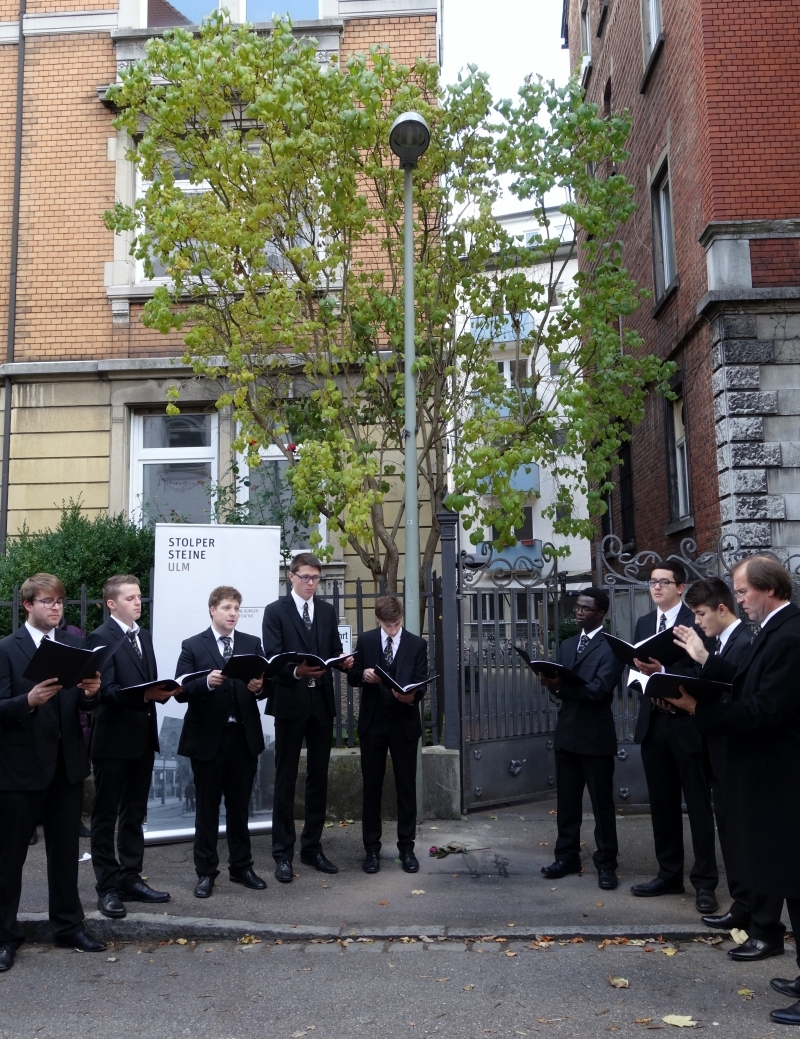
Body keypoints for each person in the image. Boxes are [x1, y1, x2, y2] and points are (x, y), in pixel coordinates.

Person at [665, 555, 800, 1026]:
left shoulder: (789, 635)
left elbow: (763, 710)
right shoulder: (774, 632)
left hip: (783, 778)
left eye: (743, 592)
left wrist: (697, 711)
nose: (737, 601)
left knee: (797, 885)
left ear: (769, 589)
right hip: (771, 776)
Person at [0, 573, 106, 972]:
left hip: (67, 766)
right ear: (28, 605)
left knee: (65, 854)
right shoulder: (6, 650)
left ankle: (68, 926)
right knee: (9, 858)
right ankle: (4, 936)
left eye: (60, 602)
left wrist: (91, 693)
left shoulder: (75, 645)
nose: (56, 608)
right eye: (48, 601)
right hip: (20, 768)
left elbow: (86, 706)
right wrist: (26, 701)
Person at [673, 577, 778, 945]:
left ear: (721, 610)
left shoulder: (746, 642)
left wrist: (703, 663)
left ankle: (761, 918)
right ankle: (742, 905)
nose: (698, 622)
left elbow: (739, 694)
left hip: (741, 753)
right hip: (719, 751)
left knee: (750, 839)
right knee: (731, 836)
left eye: (701, 614)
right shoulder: (723, 642)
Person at [629, 562, 718, 912]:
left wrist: (664, 673)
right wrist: (640, 680)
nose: (656, 588)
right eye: (652, 582)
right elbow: (636, 667)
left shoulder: (696, 621)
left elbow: (702, 670)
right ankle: (669, 874)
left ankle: (705, 882)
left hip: (686, 723)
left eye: (663, 582)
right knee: (662, 804)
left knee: (697, 805)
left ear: (680, 587)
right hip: (654, 722)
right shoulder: (643, 624)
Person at [262, 553, 353, 883]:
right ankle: (282, 853)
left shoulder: (327, 611)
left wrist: (342, 662)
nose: (311, 583)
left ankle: (312, 847)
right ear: (291, 576)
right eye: (305, 577)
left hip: (321, 703)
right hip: (289, 701)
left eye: (315, 578)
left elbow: (332, 649)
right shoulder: (275, 611)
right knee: (285, 778)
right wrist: (295, 671)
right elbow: (271, 657)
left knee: (319, 777)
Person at [175, 586, 267, 899]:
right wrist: (206, 682)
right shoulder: (193, 645)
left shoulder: (251, 644)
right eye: (227, 608)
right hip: (207, 740)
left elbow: (264, 686)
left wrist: (258, 686)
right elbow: (182, 689)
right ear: (212, 609)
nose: (233, 614)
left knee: (241, 808)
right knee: (207, 810)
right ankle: (206, 873)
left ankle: (242, 867)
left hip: (243, 738)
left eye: (237, 609)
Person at [86, 575, 171, 919]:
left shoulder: (144, 636)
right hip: (112, 741)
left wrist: (161, 692)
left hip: (141, 738)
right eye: (130, 598)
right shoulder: (100, 637)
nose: (138, 603)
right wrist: (143, 696)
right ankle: (107, 887)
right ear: (112, 604)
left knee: (135, 814)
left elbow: (147, 680)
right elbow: (101, 692)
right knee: (106, 817)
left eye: (139, 597)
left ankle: (130, 877)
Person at [538, 587, 624, 890]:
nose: (578, 612)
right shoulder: (567, 644)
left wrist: (561, 688)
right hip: (567, 733)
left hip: (596, 736)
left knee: (602, 805)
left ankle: (607, 863)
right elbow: (562, 685)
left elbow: (599, 690)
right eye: (576, 607)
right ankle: (567, 856)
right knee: (568, 801)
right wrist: (549, 682)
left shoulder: (611, 648)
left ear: (600, 613)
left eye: (585, 608)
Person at [348, 595, 428, 875]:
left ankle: (407, 848)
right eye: (388, 624)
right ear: (378, 620)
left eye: (397, 624)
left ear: (401, 618)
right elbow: (352, 675)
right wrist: (364, 674)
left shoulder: (417, 644)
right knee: (372, 788)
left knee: (406, 787)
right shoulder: (367, 641)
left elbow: (422, 682)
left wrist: (411, 697)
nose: (393, 629)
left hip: (403, 722)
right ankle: (371, 850)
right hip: (374, 723)